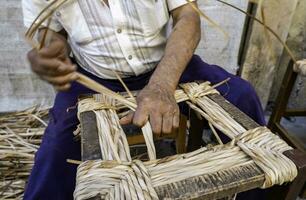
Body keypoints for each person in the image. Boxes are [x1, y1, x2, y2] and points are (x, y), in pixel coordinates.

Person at [22, 0, 265, 199]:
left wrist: (162, 84)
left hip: (169, 67)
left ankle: (258, 192)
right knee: (56, 150)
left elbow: (188, 17)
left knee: (242, 97)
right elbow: (51, 35)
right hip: (94, 76)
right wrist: (50, 53)